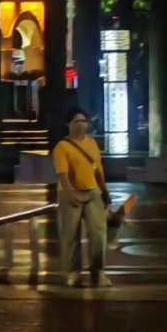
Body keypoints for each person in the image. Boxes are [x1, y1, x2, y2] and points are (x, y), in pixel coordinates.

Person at [54, 108, 111, 287]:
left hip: (93, 191)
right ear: (68, 124)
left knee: (98, 234)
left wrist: (104, 191)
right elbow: (63, 175)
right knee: (70, 235)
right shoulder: (61, 147)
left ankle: (98, 273)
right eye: (76, 121)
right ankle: (73, 272)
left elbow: (98, 169)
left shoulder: (92, 143)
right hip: (70, 192)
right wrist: (71, 193)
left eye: (83, 121)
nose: (81, 125)